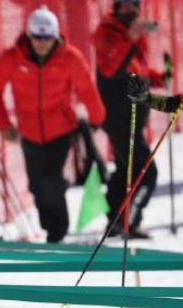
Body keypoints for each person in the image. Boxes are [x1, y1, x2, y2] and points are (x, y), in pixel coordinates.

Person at [0, 6, 106, 243]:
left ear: (55, 36)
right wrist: (4, 124)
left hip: (61, 129)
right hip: (28, 131)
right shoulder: (12, 58)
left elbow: (87, 89)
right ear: (29, 36)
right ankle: (50, 228)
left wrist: (97, 117)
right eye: (37, 37)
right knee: (37, 185)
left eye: (47, 37)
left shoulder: (69, 57)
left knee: (51, 178)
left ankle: (58, 230)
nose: (42, 42)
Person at [92, 0, 168, 239]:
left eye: (134, 4)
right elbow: (111, 69)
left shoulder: (133, 37)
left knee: (127, 169)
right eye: (125, 4)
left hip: (134, 118)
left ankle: (116, 221)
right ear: (116, 7)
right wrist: (132, 36)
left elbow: (138, 71)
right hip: (119, 119)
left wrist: (160, 78)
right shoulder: (107, 34)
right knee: (146, 172)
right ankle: (129, 222)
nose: (130, 9)